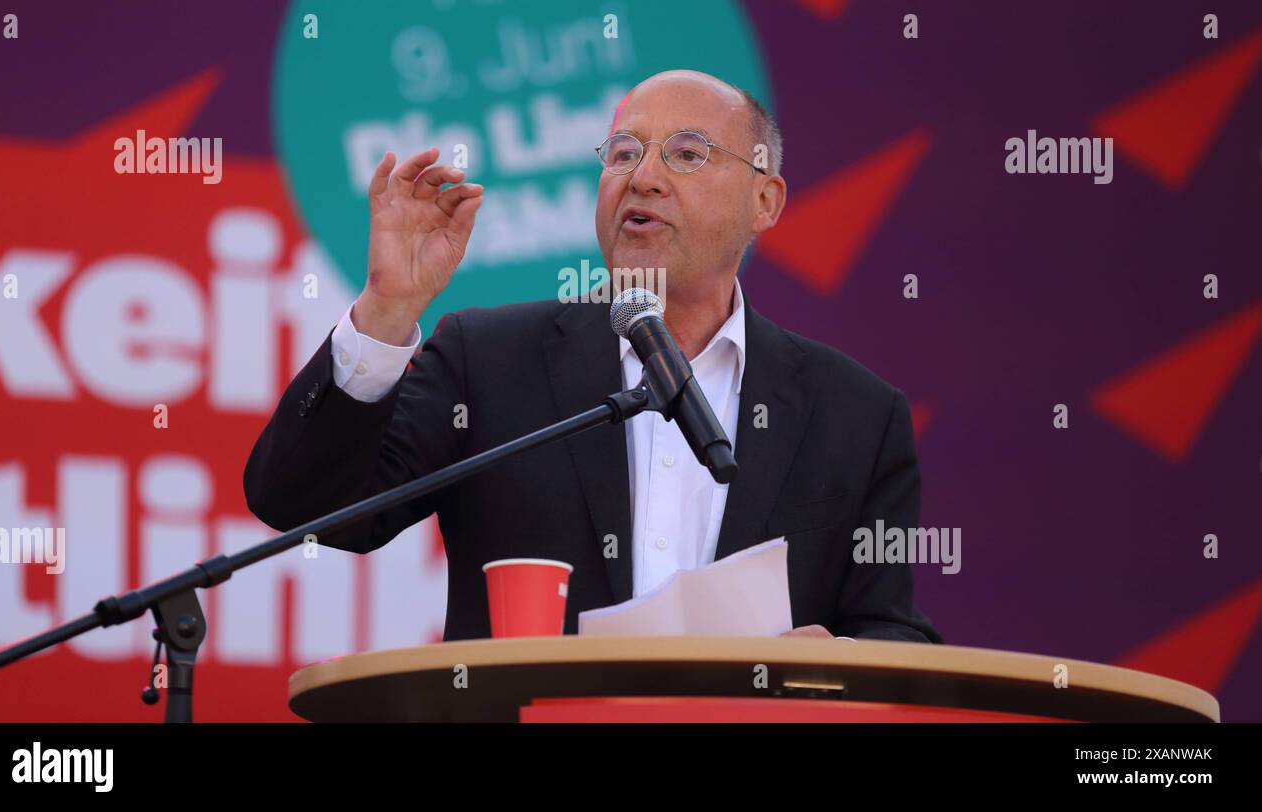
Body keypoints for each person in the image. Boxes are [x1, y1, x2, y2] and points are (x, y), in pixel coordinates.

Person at [244, 69, 940, 643]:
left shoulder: (855, 415)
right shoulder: (486, 362)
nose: (644, 178)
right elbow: (311, 507)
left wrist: (836, 664)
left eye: (688, 152)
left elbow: (892, 632)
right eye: (623, 153)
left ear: (765, 199)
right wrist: (388, 308)